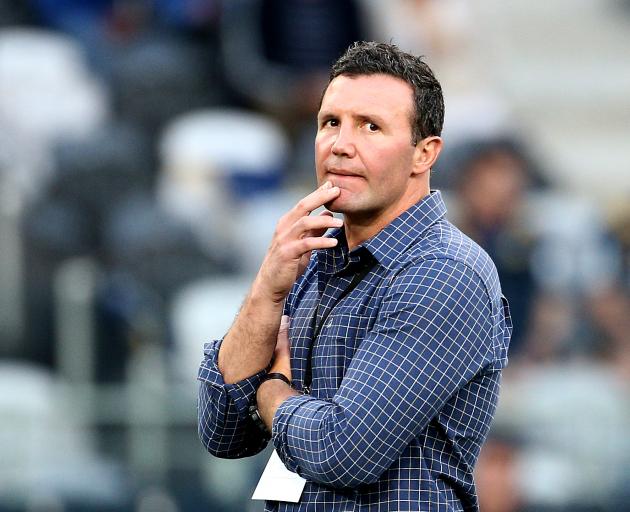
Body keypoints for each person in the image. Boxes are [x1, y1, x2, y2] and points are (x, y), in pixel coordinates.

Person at [198, 41, 512, 511]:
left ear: (424, 154)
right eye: (330, 123)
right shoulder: (310, 259)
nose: (341, 145)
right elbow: (223, 430)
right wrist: (267, 289)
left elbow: (342, 451)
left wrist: (272, 390)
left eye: (371, 127)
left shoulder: (446, 270)